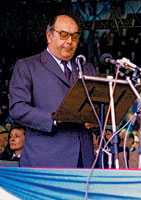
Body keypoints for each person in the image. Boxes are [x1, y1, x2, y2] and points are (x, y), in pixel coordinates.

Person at [9, 14, 96, 168]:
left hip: (85, 160)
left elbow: (98, 110)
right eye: (64, 35)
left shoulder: (86, 68)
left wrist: (95, 120)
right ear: (49, 35)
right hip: (45, 159)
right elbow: (17, 109)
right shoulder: (27, 66)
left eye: (75, 37)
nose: (70, 41)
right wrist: (54, 118)